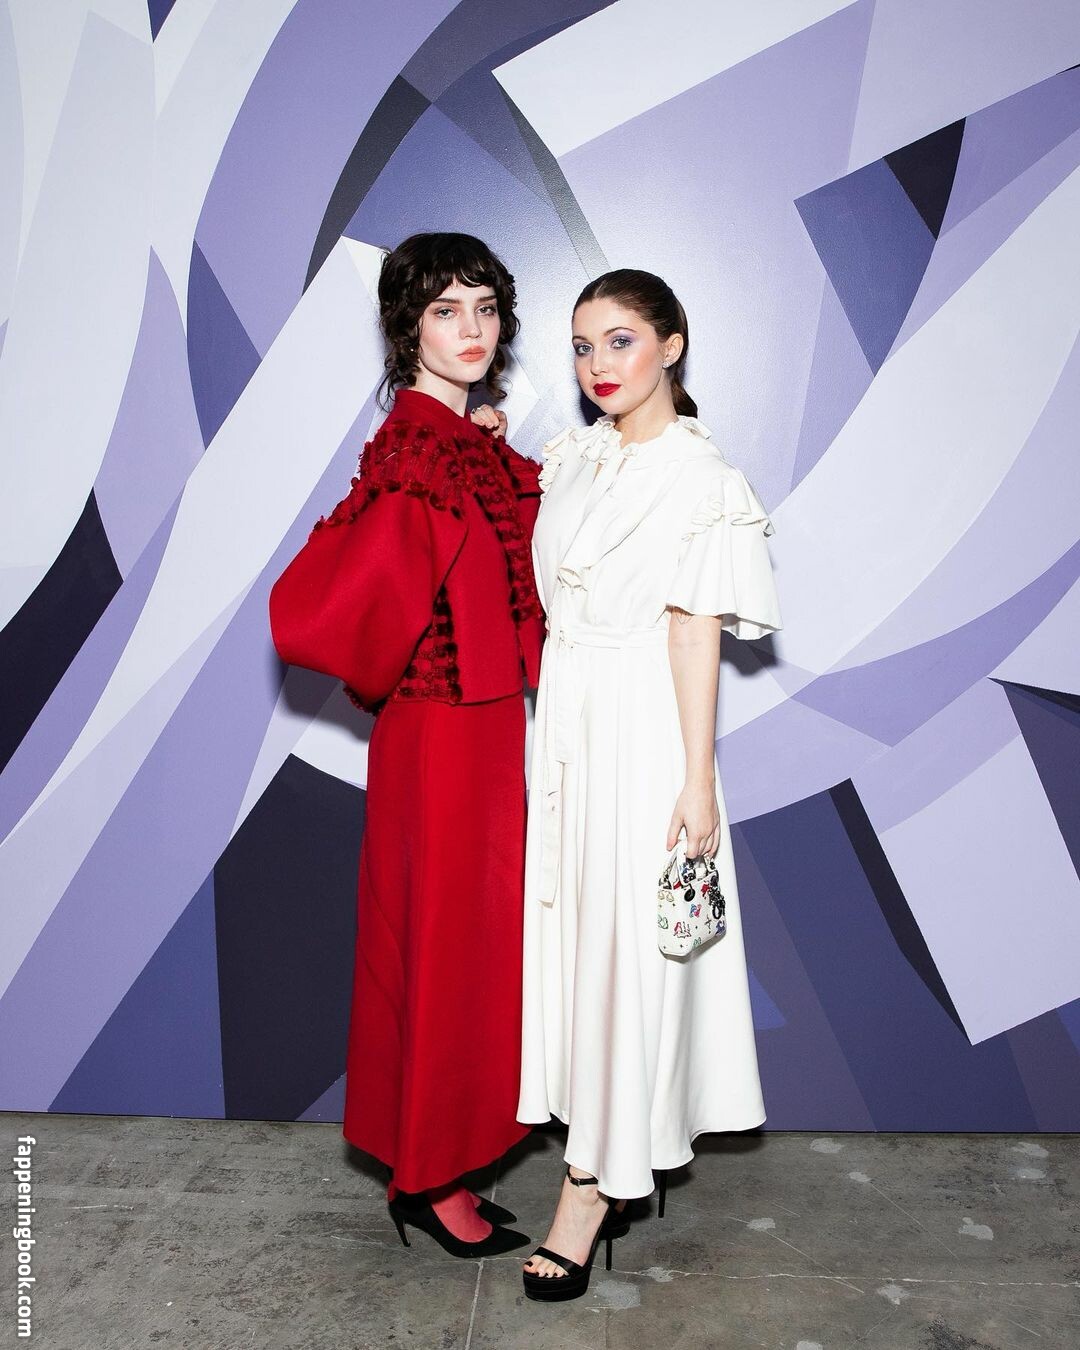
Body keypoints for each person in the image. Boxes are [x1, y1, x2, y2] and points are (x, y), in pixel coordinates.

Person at [268, 233, 544, 1257]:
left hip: (482, 730)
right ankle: (428, 1178)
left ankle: (439, 1161)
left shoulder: (455, 438)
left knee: (466, 951)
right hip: (441, 736)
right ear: (406, 327)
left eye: (485, 309)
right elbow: (372, 597)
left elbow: (516, 557)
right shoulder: (418, 446)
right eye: (444, 311)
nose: (472, 330)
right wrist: (459, 452)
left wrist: (488, 443)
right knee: (443, 949)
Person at [513, 268, 783, 1299]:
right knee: (580, 948)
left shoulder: (701, 477)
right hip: (566, 727)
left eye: (620, 341)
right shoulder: (575, 455)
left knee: (630, 954)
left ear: (672, 345)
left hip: (642, 732)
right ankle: (604, 1147)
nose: (599, 366)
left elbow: (692, 631)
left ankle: (591, 1189)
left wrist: (695, 778)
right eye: (583, 347)